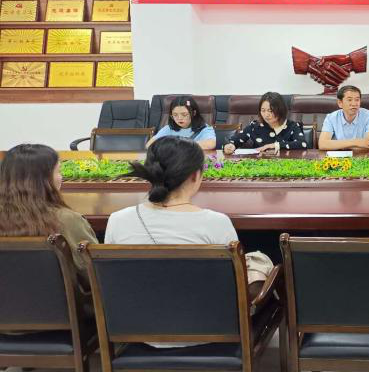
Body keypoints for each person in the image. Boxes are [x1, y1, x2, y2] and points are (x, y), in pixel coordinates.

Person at [105, 136, 273, 347]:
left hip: (138, 333)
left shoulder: (118, 220)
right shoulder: (216, 223)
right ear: (195, 175)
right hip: (211, 333)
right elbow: (233, 289)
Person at [0, 144, 98, 287]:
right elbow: (95, 275)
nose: (61, 177)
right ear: (43, 180)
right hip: (64, 301)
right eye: (58, 171)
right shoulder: (67, 219)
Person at [224, 92, 307, 155]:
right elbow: (234, 140)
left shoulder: (292, 126)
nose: (266, 115)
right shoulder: (255, 126)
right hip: (259, 166)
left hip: (287, 166)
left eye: (270, 111)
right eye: (263, 110)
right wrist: (230, 146)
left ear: (280, 110)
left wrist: (273, 145)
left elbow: (302, 144)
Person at [318, 85, 369, 151]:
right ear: (340, 103)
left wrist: (337, 145)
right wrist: (356, 142)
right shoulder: (331, 118)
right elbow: (322, 144)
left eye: (357, 100)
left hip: (361, 156)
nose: (354, 104)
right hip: (338, 156)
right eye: (349, 100)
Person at [147, 96, 216, 150]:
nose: (179, 118)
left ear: (194, 113)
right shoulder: (169, 128)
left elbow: (211, 143)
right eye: (175, 115)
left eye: (184, 114)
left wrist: (178, 145)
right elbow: (149, 145)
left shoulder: (204, 128)